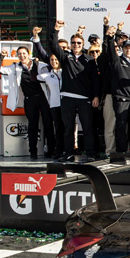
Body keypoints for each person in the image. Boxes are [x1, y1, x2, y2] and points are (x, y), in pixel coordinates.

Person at [0, 47, 55, 159]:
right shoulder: (15, 67)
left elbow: (53, 71)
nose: (22, 56)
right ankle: (33, 152)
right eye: (19, 54)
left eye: (24, 53)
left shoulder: (40, 65)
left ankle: (51, 150)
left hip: (43, 98)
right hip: (30, 99)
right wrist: (1, 56)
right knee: (32, 125)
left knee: (48, 124)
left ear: (29, 53)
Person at [51, 21, 101, 160]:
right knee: (68, 128)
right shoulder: (65, 57)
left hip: (85, 99)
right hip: (67, 97)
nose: (76, 45)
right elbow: (54, 46)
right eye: (73, 43)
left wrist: (96, 96)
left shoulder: (90, 60)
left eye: (79, 43)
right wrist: (56, 30)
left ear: (83, 44)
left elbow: (95, 81)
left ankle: (90, 153)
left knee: (88, 128)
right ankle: (68, 153)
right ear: (70, 44)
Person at [104, 27, 130, 153]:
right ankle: (121, 154)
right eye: (126, 47)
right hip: (121, 100)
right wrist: (110, 38)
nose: (128, 50)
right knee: (121, 128)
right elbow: (110, 51)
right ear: (122, 48)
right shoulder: (117, 61)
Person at [37, 54, 64, 157]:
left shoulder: (65, 73)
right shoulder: (47, 75)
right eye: (52, 60)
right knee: (57, 128)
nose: (54, 61)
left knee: (67, 128)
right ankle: (58, 151)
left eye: (56, 59)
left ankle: (68, 150)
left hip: (66, 103)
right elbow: (36, 76)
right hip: (54, 104)